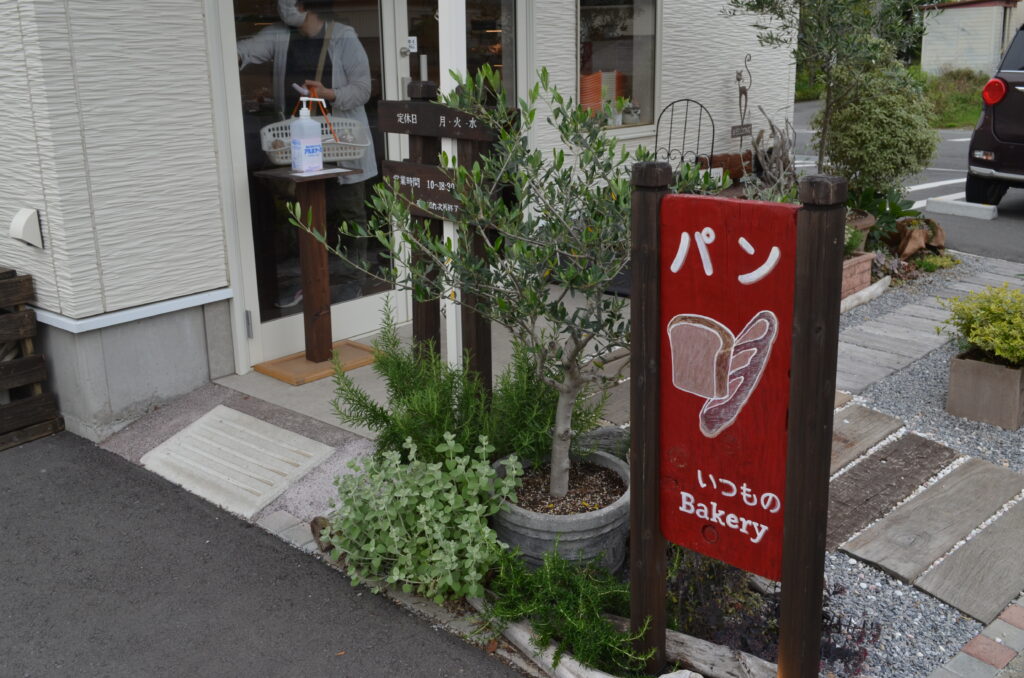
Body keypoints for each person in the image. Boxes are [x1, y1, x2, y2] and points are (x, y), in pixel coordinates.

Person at [237, 0, 377, 306]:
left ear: (308, 5)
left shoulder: (343, 36)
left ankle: (351, 281)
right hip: (297, 144)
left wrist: (331, 94)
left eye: (291, 2)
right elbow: (245, 50)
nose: (283, 7)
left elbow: (363, 88)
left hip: (341, 145)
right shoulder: (279, 35)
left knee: (348, 216)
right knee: (300, 217)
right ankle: (305, 282)